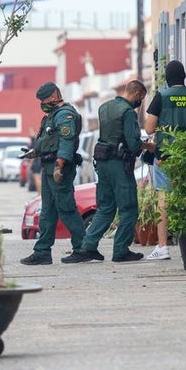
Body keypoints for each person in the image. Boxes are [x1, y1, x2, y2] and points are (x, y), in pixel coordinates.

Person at [63, 80, 148, 263]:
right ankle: (120, 250)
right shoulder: (127, 112)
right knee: (128, 208)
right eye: (141, 98)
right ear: (137, 94)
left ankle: (87, 247)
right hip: (119, 165)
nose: (140, 102)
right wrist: (147, 146)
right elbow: (133, 144)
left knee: (106, 208)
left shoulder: (104, 107)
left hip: (102, 163)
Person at [143, 59, 186, 261]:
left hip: (166, 157)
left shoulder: (161, 96)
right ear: (184, 77)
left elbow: (149, 129)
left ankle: (163, 247)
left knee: (164, 198)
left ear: (168, 78)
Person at [20, 82, 87, 265]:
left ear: (54, 95)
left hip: (59, 168)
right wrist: (33, 152)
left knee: (66, 208)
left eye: (44, 99)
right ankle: (42, 252)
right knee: (47, 211)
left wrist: (60, 165)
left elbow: (66, 140)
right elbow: (47, 141)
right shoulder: (51, 116)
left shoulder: (65, 114)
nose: (42, 102)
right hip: (48, 167)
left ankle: (83, 248)